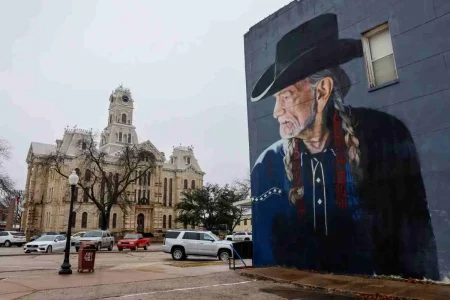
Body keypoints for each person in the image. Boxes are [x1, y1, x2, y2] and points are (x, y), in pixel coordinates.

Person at [250, 13, 439, 280]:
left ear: (322, 91)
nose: (276, 112)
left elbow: (416, 239)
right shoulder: (267, 165)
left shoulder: (386, 136)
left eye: (286, 96)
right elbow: (269, 259)